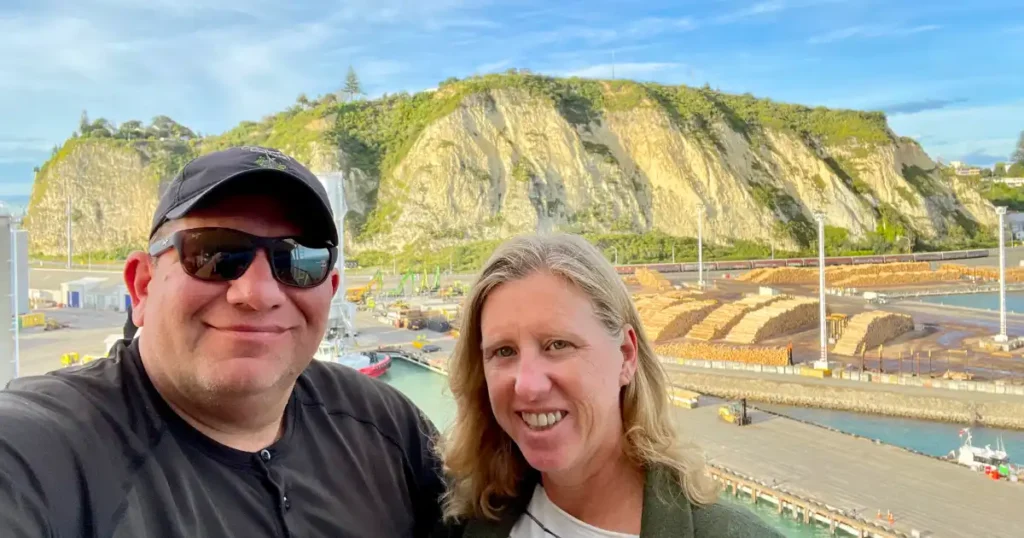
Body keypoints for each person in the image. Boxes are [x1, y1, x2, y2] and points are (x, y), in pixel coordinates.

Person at [0, 146, 444, 537]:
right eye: (214, 254)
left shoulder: (387, 426)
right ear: (143, 287)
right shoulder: (49, 453)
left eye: (298, 261)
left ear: (329, 290)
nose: (258, 294)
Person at [434, 233, 782, 537]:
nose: (527, 386)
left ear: (626, 355)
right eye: (503, 351)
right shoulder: (464, 521)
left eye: (557, 345)